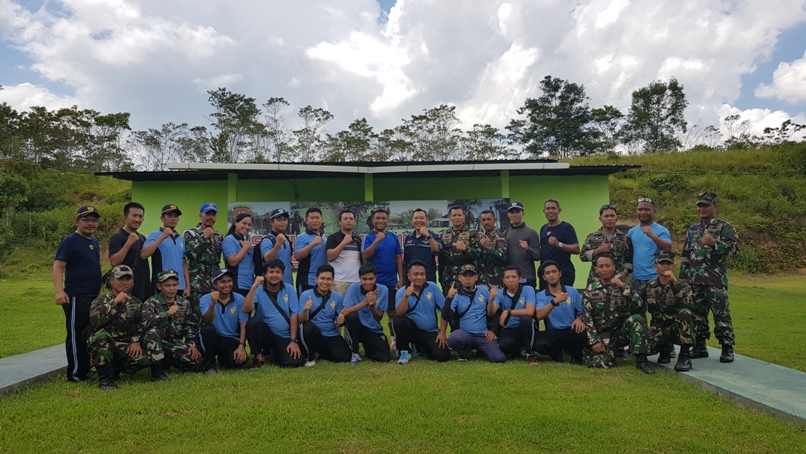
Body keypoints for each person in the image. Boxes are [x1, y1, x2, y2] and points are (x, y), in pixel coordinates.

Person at [679, 193, 739, 363]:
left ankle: (727, 348)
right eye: (699, 205)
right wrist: (683, 278)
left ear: (715, 207)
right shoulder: (693, 229)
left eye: (705, 205)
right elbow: (685, 254)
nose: (701, 209)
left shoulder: (724, 227)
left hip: (715, 281)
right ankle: (700, 346)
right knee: (697, 315)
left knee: (721, 314)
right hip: (694, 280)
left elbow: (735, 250)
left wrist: (715, 244)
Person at [53, 205, 102, 382]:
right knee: (75, 335)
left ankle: (86, 369)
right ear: (77, 221)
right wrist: (59, 291)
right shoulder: (70, 241)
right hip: (75, 296)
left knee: (87, 335)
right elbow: (58, 266)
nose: (90, 223)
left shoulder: (93, 242)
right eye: (86, 220)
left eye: (94, 220)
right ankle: (75, 374)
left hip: (92, 296)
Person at [581, 255, 654, 374]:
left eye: (608, 266)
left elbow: (639, 304)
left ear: (614, 267)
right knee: (599, 364)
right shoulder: (590, 290)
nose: (605, 269)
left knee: (637, 319)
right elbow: (587, 317)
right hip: (604, 335)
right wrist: (594, 341)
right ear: (596, 270)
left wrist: (622, 286)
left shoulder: (623, 287)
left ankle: (641, 361)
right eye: (601, 266)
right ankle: (613, 352)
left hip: (621, 332)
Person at [88, 265, 151, 389]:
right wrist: (115, 302)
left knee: (145, 359)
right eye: (120, 279)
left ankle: (115, 368)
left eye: (128, 279)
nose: (124, 282)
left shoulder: (136, 302)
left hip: (124, 344)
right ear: (111, 280)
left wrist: (136, 341)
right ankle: (104, 379)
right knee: (101, 337)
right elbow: (96, 323)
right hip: (105, 343)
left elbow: (141, 325)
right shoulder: (100, 301)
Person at [634, 251, 694, 372]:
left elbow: (689, 304)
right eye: (662, 263)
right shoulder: (648, 286)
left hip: (677, 329)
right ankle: (664, 348)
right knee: (644, 349)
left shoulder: (683, 285)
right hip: (658, 329)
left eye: (668, 263)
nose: (665, 266)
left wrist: (674, 283)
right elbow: (636, 306)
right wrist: (645, 325)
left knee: (686, 313)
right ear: (655, 266)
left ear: (673, 266)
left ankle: (684, 356)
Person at [141, 269, 205, 379]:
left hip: (173, 342)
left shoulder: (184, 303)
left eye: (174, 285)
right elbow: (145, 322)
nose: (172, 288)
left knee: (198, 363)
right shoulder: (151, 302)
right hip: (156, 341)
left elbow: (190, 326)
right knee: (153, 332)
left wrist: (192, 344)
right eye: (167, 285)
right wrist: (165, 315)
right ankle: (157, 373)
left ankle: (168, 361)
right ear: (159, 286)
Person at [243, 259, 304, 368]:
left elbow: (294, 314)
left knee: (294, 362)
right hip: (266, 335)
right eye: (271, 272)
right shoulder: (258, 289)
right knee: (253, 322)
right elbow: (246, 309)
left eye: (278, 272)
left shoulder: (289, 289)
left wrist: (293, 340)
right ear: (265, 274)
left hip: (284, 336)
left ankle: (274, 354)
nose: (274, 275)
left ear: (282, 274)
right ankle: (258, 357)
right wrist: (254, 287)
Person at [441, 264, 506, 363]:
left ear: (476, 277)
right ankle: (464, 352)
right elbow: (446, 315)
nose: (468, 279)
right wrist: (449, 299)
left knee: (499, 358)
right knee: (454, 338)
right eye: (464, 276)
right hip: (465, 334)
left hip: (483, 334)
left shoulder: (484, 291)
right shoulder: (456, 294)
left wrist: (493, 330)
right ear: (459, 278)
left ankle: (480, 350)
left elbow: (495, 312)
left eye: (471, 276)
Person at [393, 261, 451, 364]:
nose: (419, 277)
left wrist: (442, 333)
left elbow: (444, 310)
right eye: (416, 274)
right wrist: (406, 296)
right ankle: (405, 351)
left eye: (422, 274)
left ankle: (420, 348)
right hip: (412, 330)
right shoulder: (401, 292)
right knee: (399, 321)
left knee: (443, 355)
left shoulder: (432, 287)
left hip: (430, 331)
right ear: (409, 276)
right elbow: (400, 313)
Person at [362, 207, 404, 350]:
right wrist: (376, 241)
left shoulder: (393, 237)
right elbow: (365, 256)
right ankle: (373, 340)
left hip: (392, 282)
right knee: (374, 313)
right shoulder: (369, 238)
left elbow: (398, 257)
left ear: (387, 220)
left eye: (383, 218)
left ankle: (395, 340)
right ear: (372, 220)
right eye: (377, 218)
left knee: (393, 314)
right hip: (374, 285)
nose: (380, 221)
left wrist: (401, 277)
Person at [533, 261, 586, 364]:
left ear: (560, 274)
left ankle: (576, 357)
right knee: (538, 343)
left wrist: (579, 319)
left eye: (554, 271)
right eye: (547, 273)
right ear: (544, 277)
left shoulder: (572, 291)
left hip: (571, 329)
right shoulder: (540, 295)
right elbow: (539, 315)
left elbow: (583, 312)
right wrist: (554, 302)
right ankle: (556, 354)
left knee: (580, 330)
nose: (551, 275)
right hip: (553, 331)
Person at [298, 265, 352, 366]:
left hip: (331, 334)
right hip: (314, 334)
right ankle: (310, 356)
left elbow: (338, 321)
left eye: (328, 279)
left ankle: (321, 352)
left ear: (332, 281)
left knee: (344, 357)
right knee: (307, 327)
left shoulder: (337, 297)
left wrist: (340, 321)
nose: (325, 282)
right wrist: (306, 309)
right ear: (316, 279)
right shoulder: (306, 295)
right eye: (322, 278)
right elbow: (301, 320)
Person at [199, 269, 249, 373]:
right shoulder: (206, 299)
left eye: (229, 281)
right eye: (222, 282)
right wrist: (213, 304)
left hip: (230, 339)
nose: (227, 285)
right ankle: (210, 365)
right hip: (213, 338)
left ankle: (223, 359)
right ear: (214, 285)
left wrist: (241, 345)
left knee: (238, 362)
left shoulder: (239, 299)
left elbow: (243, 323)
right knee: (207, 329)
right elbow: (208, 319)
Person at [342, 264, 392, 364]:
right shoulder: (353, 288)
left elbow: (379, 318)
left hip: (373, 328)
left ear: (375, 278)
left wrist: (372, 306)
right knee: (351, 316)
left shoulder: (383, 290)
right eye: (364, 279)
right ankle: (355, 352)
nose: (368, 282)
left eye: (371, 279)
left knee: (384, 357)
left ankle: (369, 347)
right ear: (359, 278)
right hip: (357, 328)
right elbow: (345, 312)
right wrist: (365, 302)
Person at [489, 266, 537, 363]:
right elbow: (491, 312)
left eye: (513, 277)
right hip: (509, 328)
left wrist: (508, 312)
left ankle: (529, 352)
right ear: (503, 280)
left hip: (525, 327)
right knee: (504, 345)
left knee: (525, 319)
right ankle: (517, 350)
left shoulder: (528, 289)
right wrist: (491, 299)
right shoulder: (500, 293)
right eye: (507, 277)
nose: (510, 280)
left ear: (520, 279)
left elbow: (530, 311)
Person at [141, 204, 191, 299]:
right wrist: (163, 236)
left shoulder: (181, 239)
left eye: (175, 216)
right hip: (163, 286)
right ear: (162, 218)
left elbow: (184, 263)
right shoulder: (155, 235)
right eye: (169, 215)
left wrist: (188, 286)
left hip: (179, 286)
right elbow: (144, 254)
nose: (173, 219)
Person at [580, 204, 633, 286]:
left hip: (617, 281)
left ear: (616, 218)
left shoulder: (624, 238)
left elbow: (629, 259)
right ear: (600, 219)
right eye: (606, 216)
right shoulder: (592, 237)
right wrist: (598, 250)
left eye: (612, 216)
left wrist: (625, 272)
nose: (609, 219)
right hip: (596, 282)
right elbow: (582, 256)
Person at [108, 202, 151, 302]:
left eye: (140, 216)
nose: (137, 219)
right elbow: (114, 262)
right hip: (126, 290)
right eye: (134, 216)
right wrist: (129, 242)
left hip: (143, 289)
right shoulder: (117, 237)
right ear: (125, 217)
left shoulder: (142, 238)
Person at [627, 197, 672, 292]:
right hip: (637, 279)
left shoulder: (661, 230)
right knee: (637, 305)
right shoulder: (631, 232)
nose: (643, 212)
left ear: (654, 212)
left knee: (655, 306)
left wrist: (652, 235)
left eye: (647, 209)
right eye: (640, 209)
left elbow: (668, 248)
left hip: (655, 278)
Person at [184, 201, 224, 307]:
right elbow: (191, 256)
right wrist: (204, 238)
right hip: (197, 284)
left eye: (213, 214)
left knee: (213, 314)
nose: (211, 217)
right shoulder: (191, 233)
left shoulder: (219, 235)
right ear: (200, 215)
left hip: (214, 284)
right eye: (207, 214)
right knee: (196, 317)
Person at [439, 206, 482, 293]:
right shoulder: (445, 233)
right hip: (448, 276)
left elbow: (478, 253)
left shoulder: (471, 232)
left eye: (459, 215)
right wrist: (441, 277)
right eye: (454, 215)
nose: (457, 218)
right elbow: (441, 257)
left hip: (465, 276)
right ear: (450, 217)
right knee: (449, 302)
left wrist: (466, 248)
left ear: (464, 216)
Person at [539, 199, 579, 289]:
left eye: (553, 208)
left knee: (563, 301)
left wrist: (559, 244)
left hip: (563, 274)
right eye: (548, 208)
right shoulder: (543, 229)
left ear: (559, 210)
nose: (550, 211)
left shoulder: (566, 227)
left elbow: (576, 249)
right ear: (544, 211)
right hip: (546, 275)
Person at [504, 202, 541, 287]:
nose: (515, 215)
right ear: (508, 215)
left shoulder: (531, 232)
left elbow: (538, 256)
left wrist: (528, 248)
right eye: (512, 212)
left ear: (523, 213)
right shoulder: (505, 233)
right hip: (510, 279)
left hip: (527, 278)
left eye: (517, 211)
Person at [326, 209, 363, 296]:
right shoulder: (333, 237)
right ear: (340, 222)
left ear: (354, 222)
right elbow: (330, 257)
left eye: (351, 219)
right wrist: (343, 243)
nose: (348, 221)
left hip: (357, 281)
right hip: (339, 282)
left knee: (355, 309)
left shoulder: (357, 239)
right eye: (345, 219)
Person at [402, 208, 442, 284]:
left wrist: (427, 235)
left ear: (426, 220)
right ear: (412, 220)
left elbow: (437, 250)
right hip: (411, 281)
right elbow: (405, 262)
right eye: (416, 218)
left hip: (428, 279)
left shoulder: (433, 236)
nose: (419, 220)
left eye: (422, 218)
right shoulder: (408, 238)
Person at [294, 207, 328, 294]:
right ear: (306, 220)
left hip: (323, 281)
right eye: (312, 218)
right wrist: (312, 244)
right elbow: (298, 256)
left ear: (322, 220)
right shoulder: (302, 237)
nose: (315, 220)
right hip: (307, 281)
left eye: (317, 218)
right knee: (306, 307)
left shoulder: (323, 236)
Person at [222, 212, 255, 296]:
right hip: (236, 285)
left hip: (249, 285)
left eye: (249, 225)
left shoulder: (245, 242)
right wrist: (244, 248)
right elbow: (232, 262)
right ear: (236, 223)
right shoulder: (229, 240)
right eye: (244, 223)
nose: (246, 227)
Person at [259, 208, 294, 286]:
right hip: (272, 285)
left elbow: (288, 263)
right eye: (279, 220)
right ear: (272, 222)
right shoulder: (268, 240)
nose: (282, 222)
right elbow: (267, 259)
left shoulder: (286, 239)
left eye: (285, 220)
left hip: (287, 284)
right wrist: (278, 244)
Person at [477, 209, 508, 288]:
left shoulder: (499, 236)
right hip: (481, 281)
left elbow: (502, 257)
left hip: (495, 282)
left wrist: (488, 247)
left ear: (495, 220)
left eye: (489, 219)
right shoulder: (479, 237)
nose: (486, 222)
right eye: (483, 220)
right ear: (481, 222)